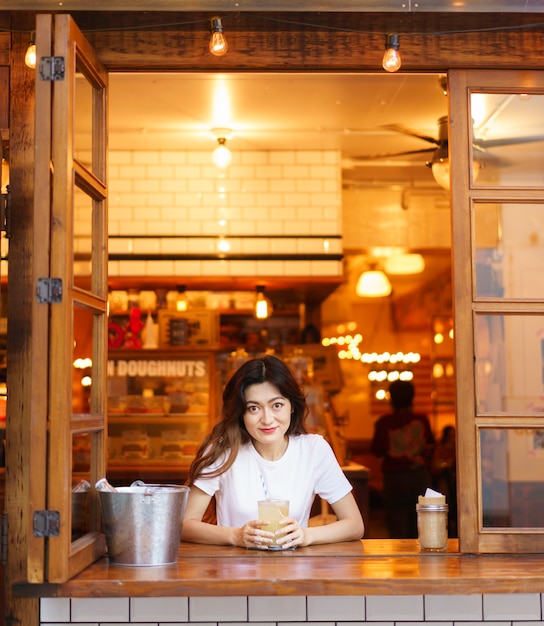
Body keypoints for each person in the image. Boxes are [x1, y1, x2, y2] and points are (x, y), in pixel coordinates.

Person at [181, 355, 364, 549]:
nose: (267, 419)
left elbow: (354, 524)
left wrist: (306, 535)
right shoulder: (223, 452)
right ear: (241, 413)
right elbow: (184, 525)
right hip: (235, 573)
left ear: (292, 406)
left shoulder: (313, 450)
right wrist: (235, 536)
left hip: (293, 571)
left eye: (277, 405)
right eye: (253, 408)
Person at [370, 380, 435, 538]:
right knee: (420, 524)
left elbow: (376, 451)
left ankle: (400, 559)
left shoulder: (384, 422)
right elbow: (431, 446)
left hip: (394, 479)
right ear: (412, 397)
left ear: (391, 398)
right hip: (419, 476)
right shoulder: (422, 420)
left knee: (396, 525)